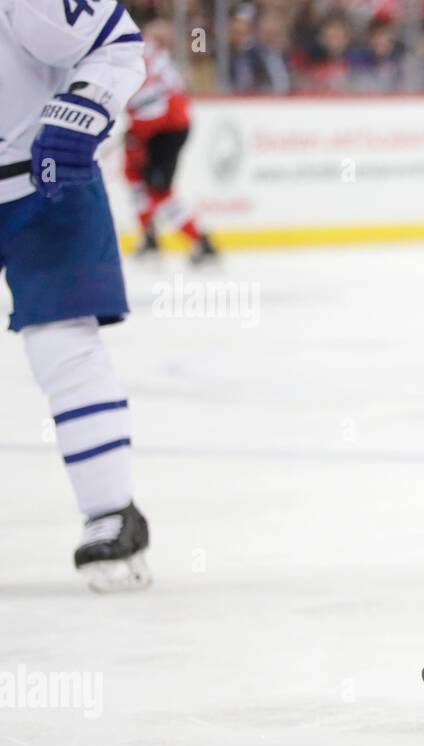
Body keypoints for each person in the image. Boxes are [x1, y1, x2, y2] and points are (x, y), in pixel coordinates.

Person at [0, 0, 152, 591]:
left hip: (45, 184)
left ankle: (112, 511)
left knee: (61, 346)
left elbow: (116, 44)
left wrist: (83, 107)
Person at [125, 18, 218, 264]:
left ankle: (200, 241)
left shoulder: (134, 49)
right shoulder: (149, 49)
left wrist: (134, 131)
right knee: (134, 176)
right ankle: (150, 237)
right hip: (161, 126)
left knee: (158, 190)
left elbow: (151, 101)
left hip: (163, 129)